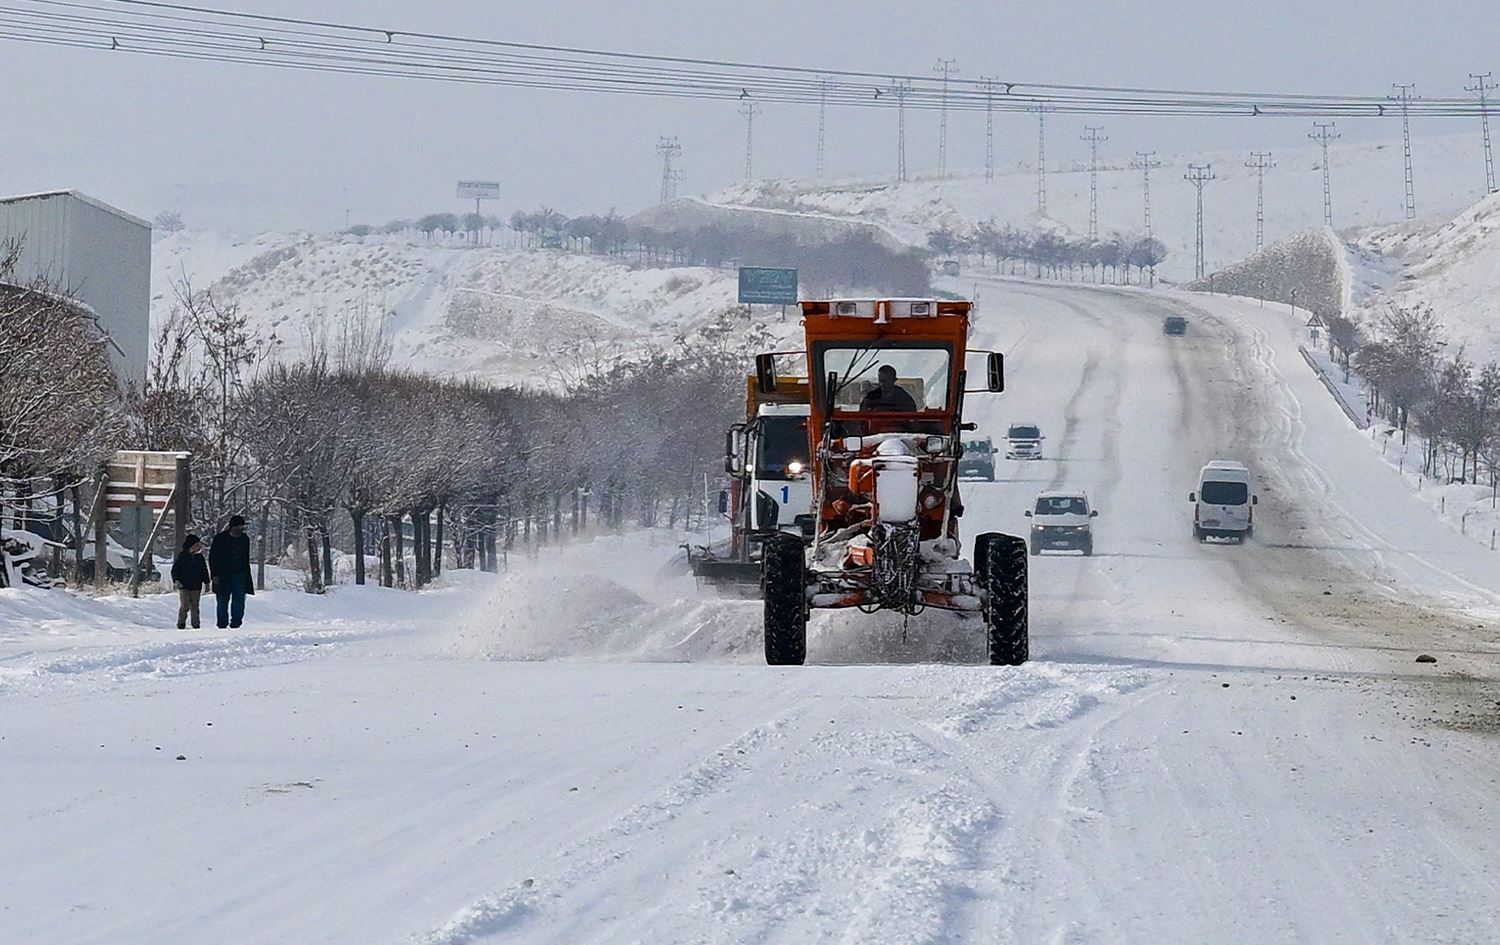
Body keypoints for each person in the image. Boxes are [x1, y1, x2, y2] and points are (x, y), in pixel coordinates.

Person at [208, 514, 255, 629]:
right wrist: (214, 574)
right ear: (232, 527)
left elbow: (245, 558)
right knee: (222, 600)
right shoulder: (220, 539)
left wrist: (246, 575)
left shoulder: (244, 539)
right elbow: (213, 558)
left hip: (240, 574)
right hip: (223, 575)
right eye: (239, 527)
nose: (241, 530)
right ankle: (222, 624)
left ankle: (236, 623)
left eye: (242, 528)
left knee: (239, 601)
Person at [170, 533, 211, 630]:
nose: (198, 546)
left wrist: (207, 582)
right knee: (185, 605)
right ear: (191, 545)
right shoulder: (182, 556)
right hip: (184, 586)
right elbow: (175, 570)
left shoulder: (199, 558)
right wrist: (176, 580)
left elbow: (204, 571)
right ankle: (181, 623)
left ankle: (196, 624)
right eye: (196, 544)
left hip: (196, 586)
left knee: (195, 606)